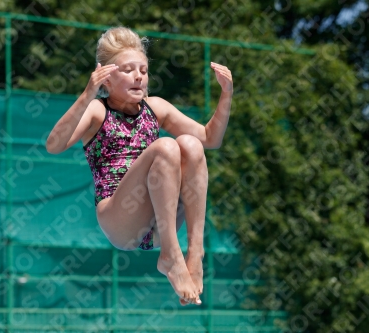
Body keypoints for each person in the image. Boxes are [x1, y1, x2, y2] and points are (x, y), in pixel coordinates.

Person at [46, 27, 232, 306]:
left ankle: (195, 253)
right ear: (106, 79)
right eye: (128, 70)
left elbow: (210, 139)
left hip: (159, 219)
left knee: (191, 145)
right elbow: (54, 145)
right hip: (120, 218)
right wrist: (88, 93)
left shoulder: (155, 107)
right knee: (167, 146)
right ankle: (171, 254)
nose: (138, 76)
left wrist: (226, 94)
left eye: (143, 70)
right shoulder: (99, 109)